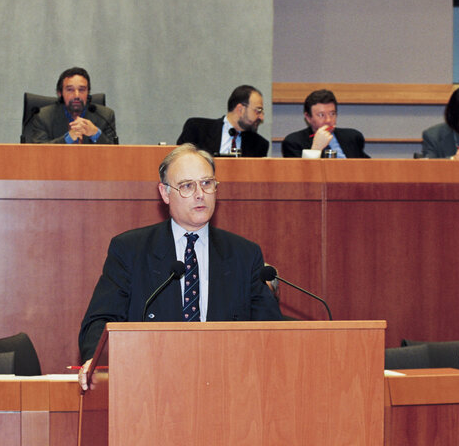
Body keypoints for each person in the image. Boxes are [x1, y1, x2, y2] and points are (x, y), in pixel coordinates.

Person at [77, 143, 282, 388]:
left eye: (207, 183)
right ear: (165, 193)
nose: (200, 194)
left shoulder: (244, 254)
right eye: (187, 186)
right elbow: (100, 321)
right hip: (150, 383)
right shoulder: (131, 250)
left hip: (227, 384)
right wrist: (95, 362)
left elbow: (270, 332)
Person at [23, 67, 117, 144]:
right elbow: (38, 153)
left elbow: (116, 155)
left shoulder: (105, 116)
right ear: (60, 93)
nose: (76, 95)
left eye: (81, 90)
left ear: (88, 92)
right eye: (70, 90)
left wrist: (96, 133)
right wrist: (68, 138)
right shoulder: (43, 117)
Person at [176, 85, 268, 157]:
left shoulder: (259, 144)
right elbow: (179, 162)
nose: (261, 117)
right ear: (240, 109)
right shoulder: (197, 129)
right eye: (258, 111)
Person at [281, 89, 369, 158]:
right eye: (321, 115)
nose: (328, 120)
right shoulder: (294, 142)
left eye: (332, 114)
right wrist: (316, 148)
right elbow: (299, 175)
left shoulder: (352, 137)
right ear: (308, 117)